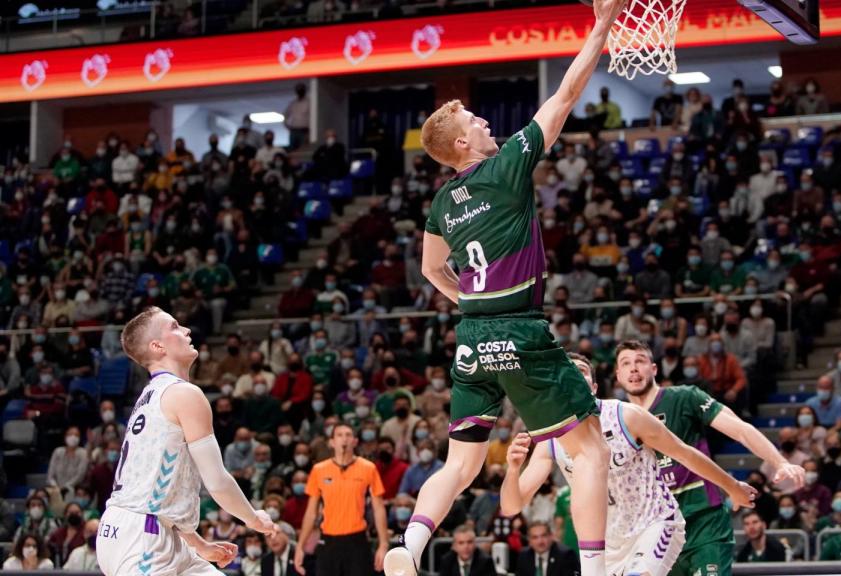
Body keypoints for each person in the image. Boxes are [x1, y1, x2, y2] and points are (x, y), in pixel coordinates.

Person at [388, 3, 626, 576]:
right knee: (589, 451)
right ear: (463, 146)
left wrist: (470, 303)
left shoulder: (444, 200)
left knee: (460, 466)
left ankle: (409, 549)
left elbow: (429, 269)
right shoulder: (507, 165)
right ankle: (595, 572)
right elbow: (565, 95)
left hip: (472, 338)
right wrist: (602, 25)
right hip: (519, 329)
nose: (485, 123)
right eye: (474, 121)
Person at [501, 353, 756, 576]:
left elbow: (685, 453)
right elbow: (512, 506)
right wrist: (513, 469)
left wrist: (731, 486)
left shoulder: (626, 416)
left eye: (580, 371)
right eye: (566, 371)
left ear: (594, 387)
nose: (572, 375)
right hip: (607, 545)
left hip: (655, 524)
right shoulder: (552, 439)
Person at [97, 307, 276, 576]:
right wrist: (253, 518)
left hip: (155, 532)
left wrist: (198, 544)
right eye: (174, 326)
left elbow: (163, 487)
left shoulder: (150, 396)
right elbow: (216, 481)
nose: (186, 330)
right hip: (143, 539)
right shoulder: (183, 394)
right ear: (157, 346)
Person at [619, 340, 805, 576]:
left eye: (640, 361)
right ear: (618, 375)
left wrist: (780, 462)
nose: (633, 368)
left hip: (704, 521)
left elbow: (740, 429)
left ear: (654, 369)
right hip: (655, 530)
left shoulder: (685, 397)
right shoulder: (617, 418)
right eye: (626, 363)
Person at [294, 423, 388, 576]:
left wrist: (383, 544)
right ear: (331, 442)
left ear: (355, 441)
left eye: (348, 435)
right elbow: (311, 512)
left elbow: (379, 508)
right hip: (329, 540)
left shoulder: (368, 468)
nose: (344, 439)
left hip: (357, 540)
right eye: (339, 435)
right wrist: (300, 545)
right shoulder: (319, 470)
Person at [515, 522, 579, 576]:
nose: (540, 541)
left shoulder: (565, 555)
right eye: (535, 537)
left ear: (551, 536)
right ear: (529, 541)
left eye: (544, 536)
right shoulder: (524, 555)